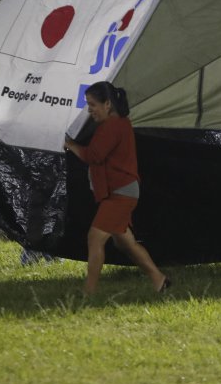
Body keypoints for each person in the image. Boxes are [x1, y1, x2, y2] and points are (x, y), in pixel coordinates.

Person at [64, 81, 169, 295]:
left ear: (108, 104)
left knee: (94, 238)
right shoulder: (119, 124)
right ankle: (160, 280)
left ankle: (88, 293)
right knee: (125, 244)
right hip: (121, 191)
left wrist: (71, 145)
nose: (90, 110)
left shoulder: (111, 126)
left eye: (92, 105)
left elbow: (94, 156)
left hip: (120, 193)